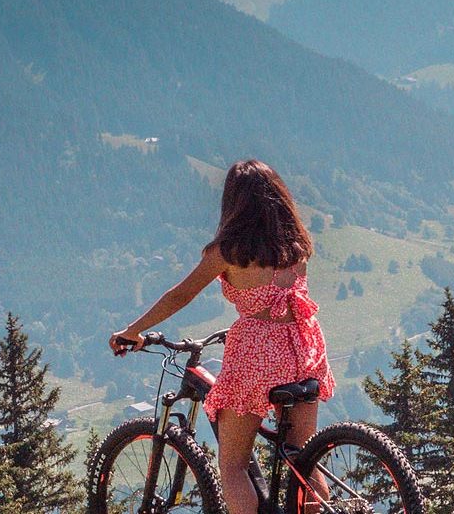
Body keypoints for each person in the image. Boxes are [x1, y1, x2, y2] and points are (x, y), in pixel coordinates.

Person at [111, 159, 335, 514]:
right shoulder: (297, 245)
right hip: (303, 347)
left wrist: (133, 330)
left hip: (259, 351)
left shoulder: (228, 252)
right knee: (302, 458)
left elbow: (179, 295)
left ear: (234, 203)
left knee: (233, 465)